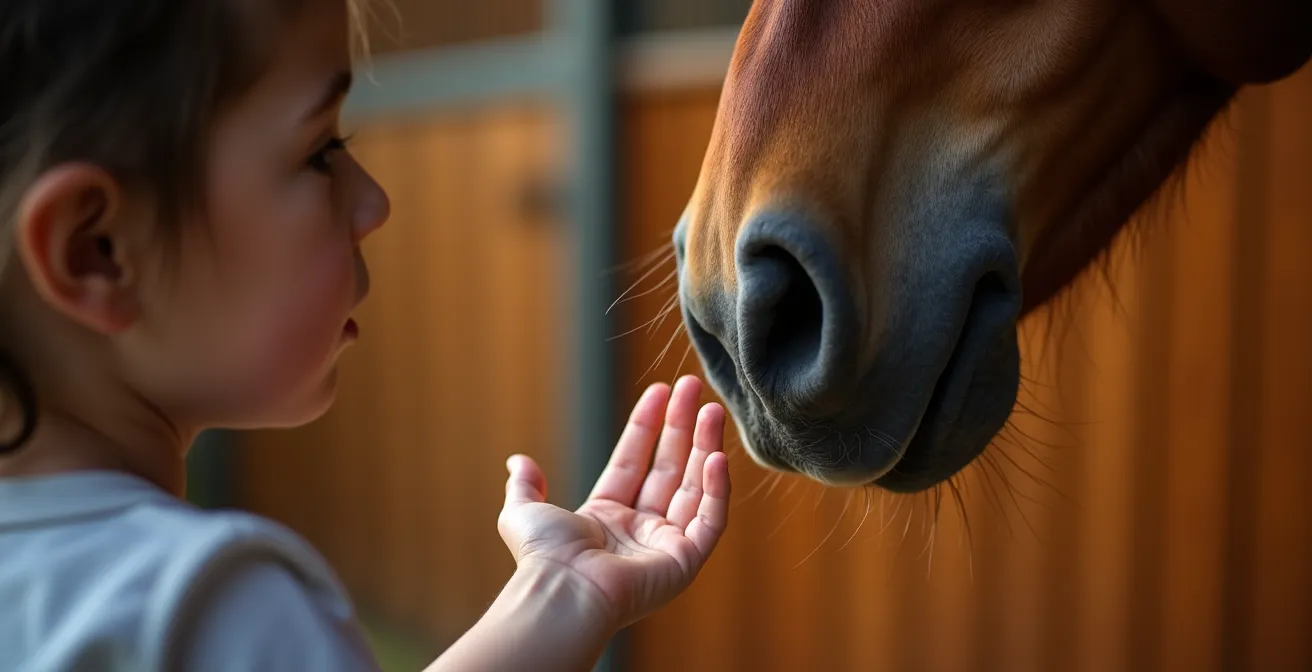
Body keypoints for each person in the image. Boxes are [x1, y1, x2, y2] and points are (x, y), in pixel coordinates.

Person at [0, 1, 733, 670]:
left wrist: (562, 593)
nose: (374, 203)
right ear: (96, 250)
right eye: (321, 149)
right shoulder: (206, 608)